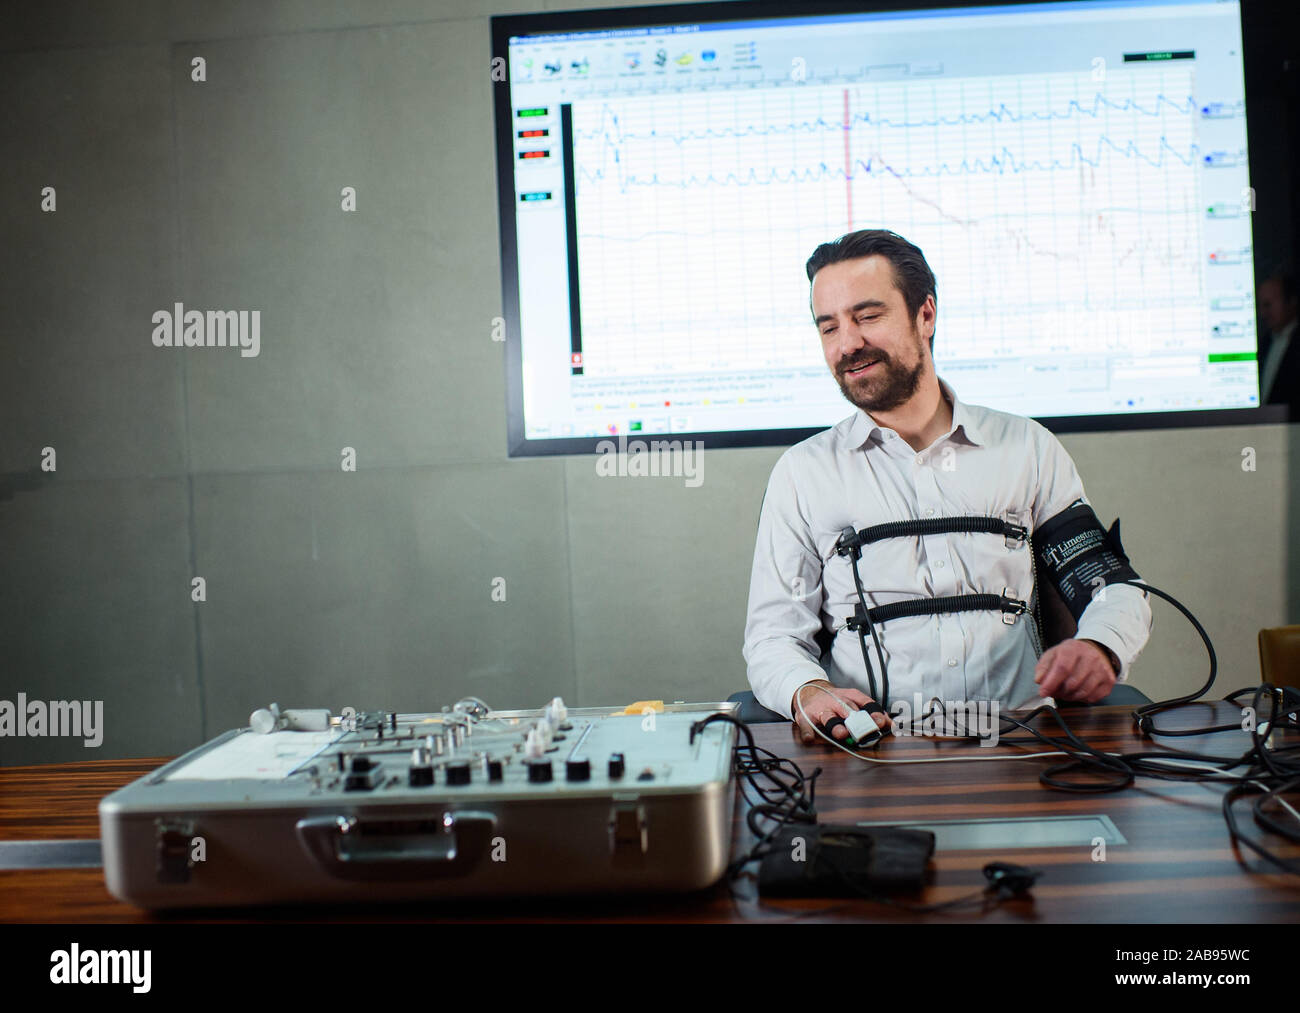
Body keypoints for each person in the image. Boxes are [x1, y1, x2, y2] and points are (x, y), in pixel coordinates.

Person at [743, 229, 1153, 744]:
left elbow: (1111, 588)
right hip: (872, 754)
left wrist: (1100, 646)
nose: (847, 344)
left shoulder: (1026, 447)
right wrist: (806, 690)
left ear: (926, 315)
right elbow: (773, 637)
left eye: (867, 317)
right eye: (829, 327)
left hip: (1026, 747)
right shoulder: (802, 474)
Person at [1257, 266, 1299, 408]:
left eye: (1268, 304)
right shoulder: (1265, 344)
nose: (1263, 313)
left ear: (1291, 301)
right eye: (1261, 305)